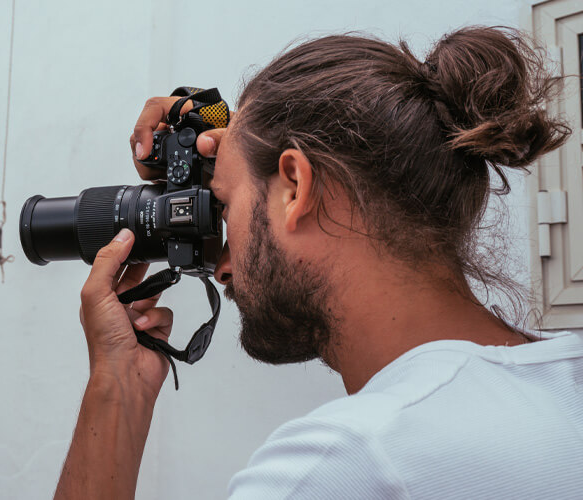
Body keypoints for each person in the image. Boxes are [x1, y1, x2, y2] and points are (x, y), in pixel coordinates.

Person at [54, 26, 583, 499]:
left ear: (296, 186)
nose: (220, 268)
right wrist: (253, 155)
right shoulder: (568, 380)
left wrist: (115, 384)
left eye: (226, 207)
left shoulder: (344, 464)